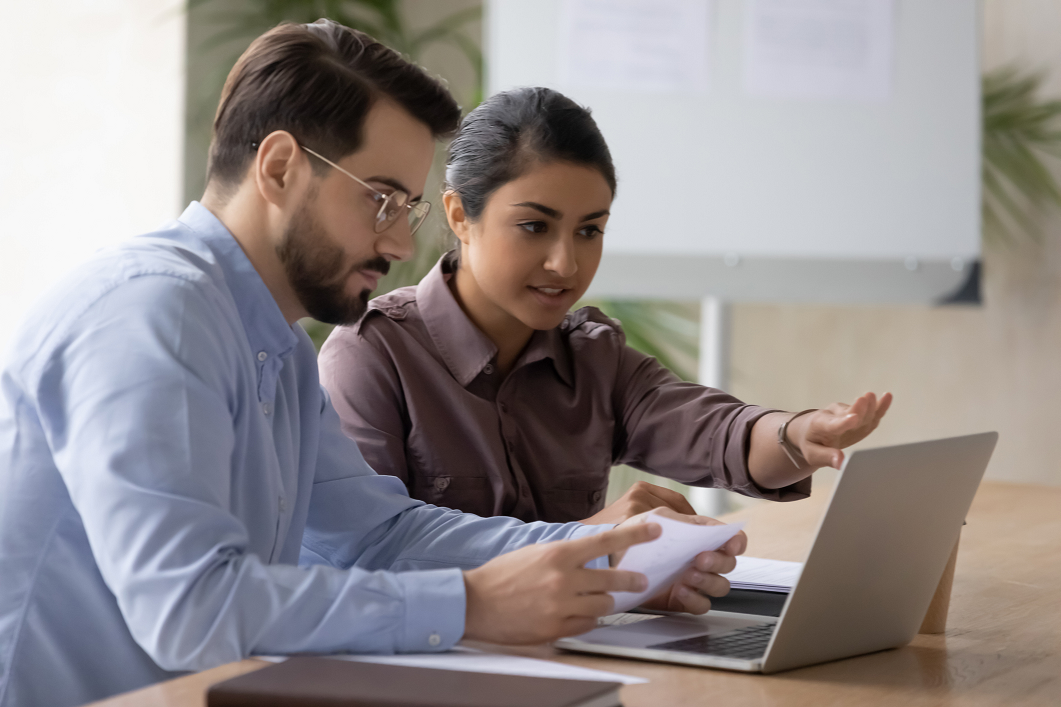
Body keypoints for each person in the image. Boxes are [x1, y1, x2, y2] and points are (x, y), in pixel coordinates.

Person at [0, 22, 741, 707]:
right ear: (281, 167)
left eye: (408, 208)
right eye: (381, 200)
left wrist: (600, 561)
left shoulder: (277, 341)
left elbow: (378, 534)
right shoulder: (153, 311)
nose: (398, 245)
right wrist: (471, 603)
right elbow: (190, 609)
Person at [318, 87, 893, 526]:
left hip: (579, 657)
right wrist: (590, 545)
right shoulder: (372, 356)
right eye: (534, 226)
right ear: (459, 215)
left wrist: (796, 434)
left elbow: (711, 430)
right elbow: (373, 549)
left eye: (590, 231)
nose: (565, 264)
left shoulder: (594, 354)